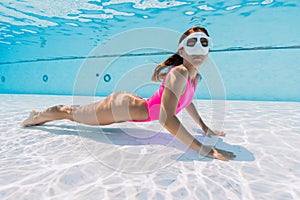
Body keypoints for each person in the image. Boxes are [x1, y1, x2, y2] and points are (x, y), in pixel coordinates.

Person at [21, 26, 236, 161]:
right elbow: (165, 117)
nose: (199, 48)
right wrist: (202, 149)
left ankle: (40, 115)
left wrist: (204, 127)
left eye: (204, 43)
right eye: (192, 43)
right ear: (181, 51)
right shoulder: (179, 73)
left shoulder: (194, 77)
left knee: (75, 113)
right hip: (120, 108)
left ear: (209, 50)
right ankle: (38, 116)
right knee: (72, 114)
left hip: (131, 104)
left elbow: (185, 101)